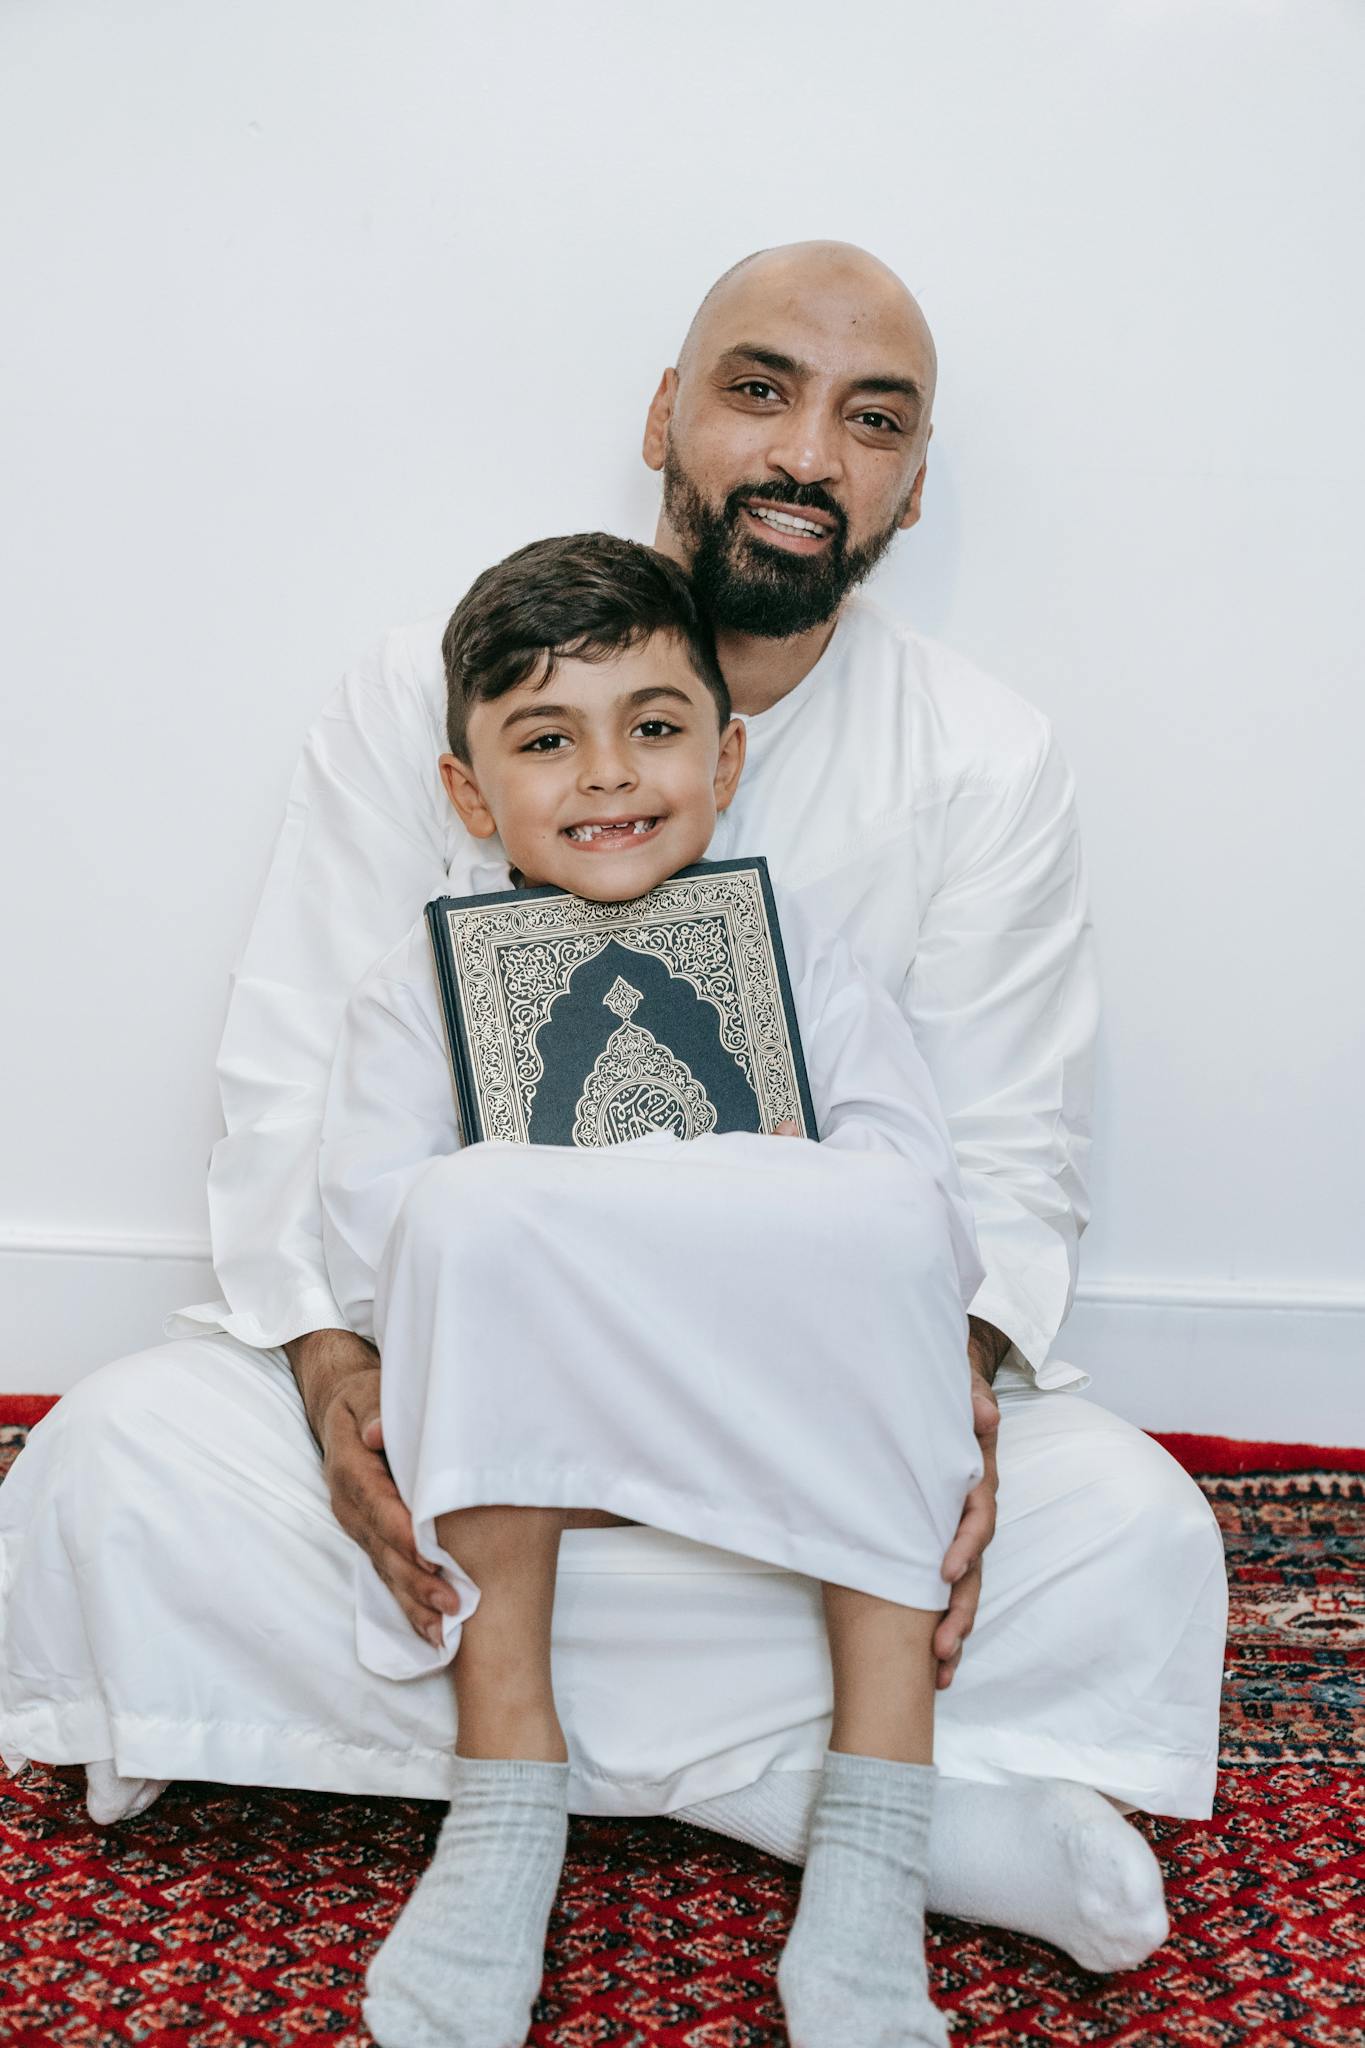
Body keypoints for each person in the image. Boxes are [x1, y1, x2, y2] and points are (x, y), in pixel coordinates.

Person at [0, 241, 1226, 1983]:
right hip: (485, 1423)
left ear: (911, 482)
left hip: (807, 1426)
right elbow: (303, 1073)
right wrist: (342, 1373)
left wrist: (934, 1384)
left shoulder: (983, 753)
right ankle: (827, 1799)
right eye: (759, 388)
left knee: (1128, 1527)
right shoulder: (434, 674)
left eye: (868, 419)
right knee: (117, 1466)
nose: (809, 450)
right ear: (665, 411)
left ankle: (690, 1788)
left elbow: (995, 1150)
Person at [332, 529, 988, 2046]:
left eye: (654, 729)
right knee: (467, 1206)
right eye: (545, 741)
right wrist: (595, 1201)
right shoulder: (415, 983)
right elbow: (381, 1235)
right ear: (467, 792)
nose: (609, 777)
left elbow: (913, 1190)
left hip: (769, 1397)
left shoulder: (804, 950)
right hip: (541, 1405)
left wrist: (738, 1183)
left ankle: (875, 1840)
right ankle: (506, 1800)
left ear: (727, 756)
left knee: (885, 1212)